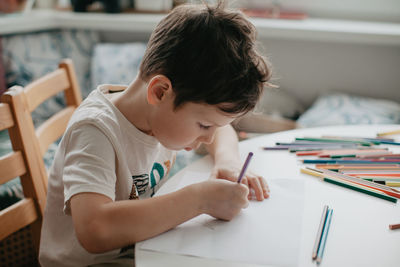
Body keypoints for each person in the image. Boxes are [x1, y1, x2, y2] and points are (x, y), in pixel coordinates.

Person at [39, 2, 272, 266]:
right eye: (204, 126)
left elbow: (221, 131)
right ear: (160, 91)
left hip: (141, 248)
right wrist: (199, 200)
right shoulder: (95, 130)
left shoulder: (160, 114)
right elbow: (95, 230)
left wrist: (227, 163)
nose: (208, 137)